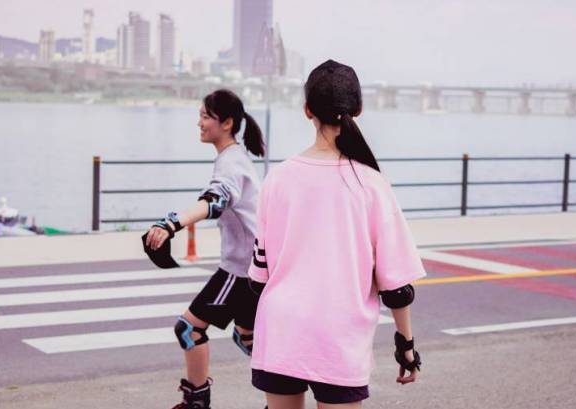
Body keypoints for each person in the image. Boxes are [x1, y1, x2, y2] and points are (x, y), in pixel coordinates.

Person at [248, 60, 426, 409]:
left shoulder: (277, 179)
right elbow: (396, 287)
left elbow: (259, 276)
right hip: (337, 338)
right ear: (357, 109)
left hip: (281, 332)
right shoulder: (372, 184)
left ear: (307, 111)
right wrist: (405, 346)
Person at [144, 89, 265, 409]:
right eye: (199, 115)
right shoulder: (234, 158)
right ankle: (287, 386)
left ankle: (197, 402)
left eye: (205, 117)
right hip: (252, 268)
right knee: (248, 337)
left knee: (188, 329)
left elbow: (216, 199)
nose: (198, 123)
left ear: (226, 123)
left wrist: (170, 224)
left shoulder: (231, 164)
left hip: (239, 271)